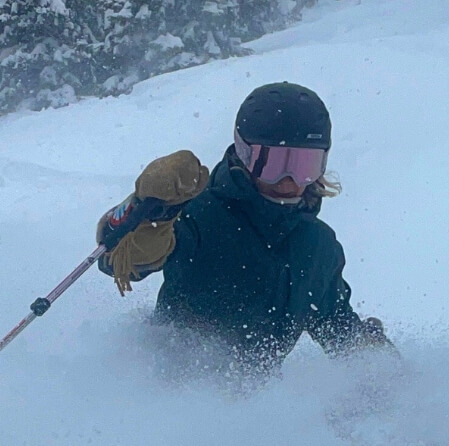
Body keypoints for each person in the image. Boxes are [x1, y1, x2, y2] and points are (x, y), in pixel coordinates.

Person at [96, 82, 392, 377]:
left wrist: (384, 370)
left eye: (305, 165)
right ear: (244, 154)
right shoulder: (200, 212)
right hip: (164, 397)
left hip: (253, 415)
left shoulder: (317, 247)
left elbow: (339, 327)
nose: (289, 180)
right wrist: (151, 211)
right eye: (274, 163)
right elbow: (117, 261)